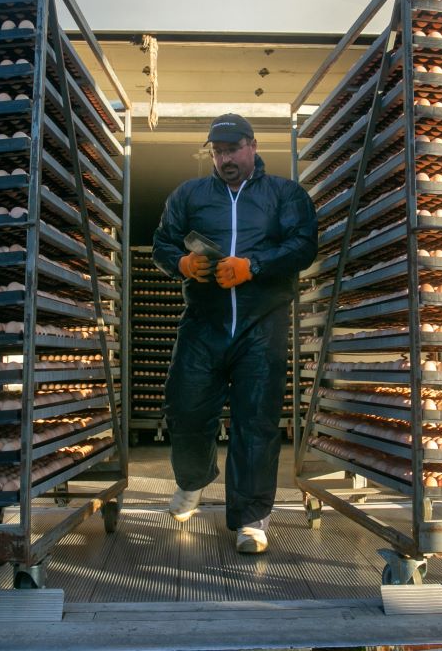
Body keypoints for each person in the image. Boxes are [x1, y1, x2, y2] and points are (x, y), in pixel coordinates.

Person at [152, 113, 318, 554]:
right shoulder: (189, 195)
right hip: (203, 323)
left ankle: (251, 519)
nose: (225, 158)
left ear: (253, 146)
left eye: (232, 149)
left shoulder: (284, 194)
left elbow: (304, 244)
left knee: (256, 422)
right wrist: (181, 263)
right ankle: (193, 480)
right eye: (218, 150)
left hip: (261, 324)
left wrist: (254, 266)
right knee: (184, 407)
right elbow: (162, 244)